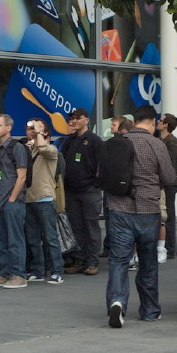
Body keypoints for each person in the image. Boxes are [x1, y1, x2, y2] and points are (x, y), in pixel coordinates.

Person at [105, 105, 177, 328]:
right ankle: (150, 310)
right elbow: (170, 177)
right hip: (148, 211)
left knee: (118, 260)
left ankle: (117, 302)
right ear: (153, 122)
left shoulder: (118, 143)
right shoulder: (156, 144)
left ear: (133, 120)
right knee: (148, 262)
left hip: (118, 209)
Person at [0, 114, 29, 289]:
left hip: (12, 202)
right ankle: (4, 273)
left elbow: (22, 176)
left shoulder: (17, 147)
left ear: (8, 128)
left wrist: (12, 199)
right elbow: (0, 172)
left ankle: (19, 275)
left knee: (15, 239)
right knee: (0, 240)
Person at [62, 108, 103, 275]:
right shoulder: (69, 140)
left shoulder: (94, 140)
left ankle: (92, 262)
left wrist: (94, 184)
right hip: (71, 191)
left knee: (91, 226)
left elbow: (101, 166)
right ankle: (79, 260)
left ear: (86, 120)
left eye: (78, 118)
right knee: (76, 227)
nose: (74, 121)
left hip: (89, 191)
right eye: (72, 118)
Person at [25, 119, 64, 284]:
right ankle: (38, 270)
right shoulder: (29, 150)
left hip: (45, 198)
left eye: (37, 130)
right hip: (29, 198)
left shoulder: (51, 150)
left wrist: (39, 134)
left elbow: (43, 147)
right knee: (33, 238)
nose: (32, 131)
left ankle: (57, 272)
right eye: (30, 129)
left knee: (50, 238)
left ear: (46, 134)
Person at [156, 113, 177, 260]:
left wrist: (165, 180)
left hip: (169, 183)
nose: (158, 122)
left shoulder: (171, 142)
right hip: (164, 182)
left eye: (161, 120)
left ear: (166, 124)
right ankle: (165, 245)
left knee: (169, 215)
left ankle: (170, 248)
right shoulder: (161, 139)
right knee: (164, 214)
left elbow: (171, 164)